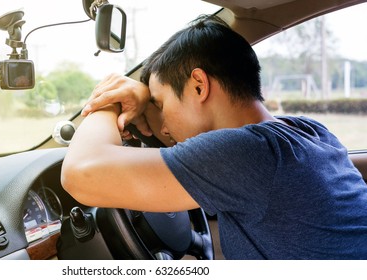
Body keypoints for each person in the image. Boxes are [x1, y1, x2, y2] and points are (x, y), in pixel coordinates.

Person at [61, 15, 367, 259]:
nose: (163, 128)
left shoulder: (243, 153)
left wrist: (113, 100)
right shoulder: (306, 130)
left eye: (160, 104)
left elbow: (80, 174)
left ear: (198, 85)